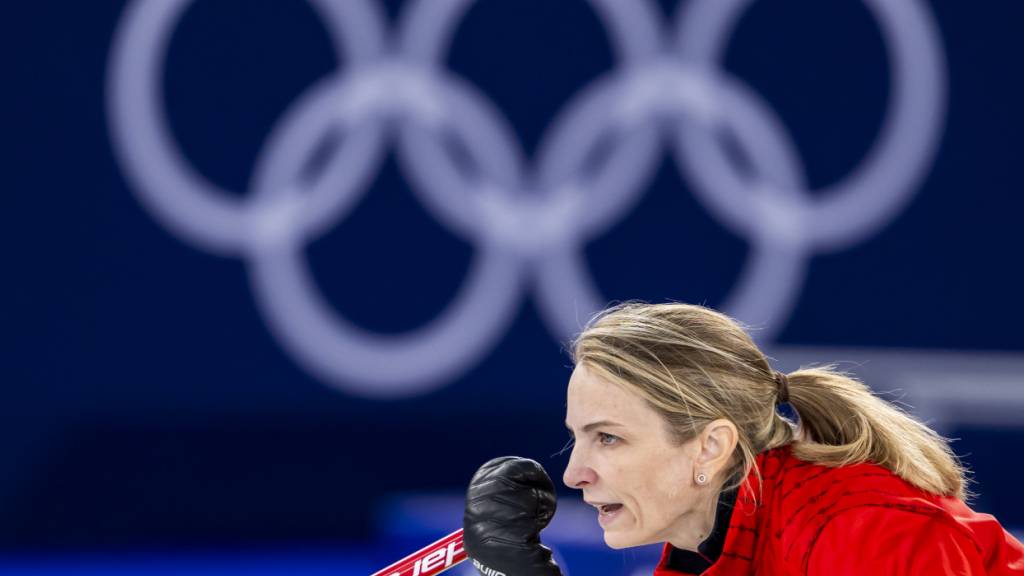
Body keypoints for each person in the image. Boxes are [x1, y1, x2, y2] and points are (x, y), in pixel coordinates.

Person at [462, 302, 1024, 575]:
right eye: (577, 439)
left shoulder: (858, 534)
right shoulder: (706, 553)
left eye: (607, 438)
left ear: (710, 447)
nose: (573, 473)